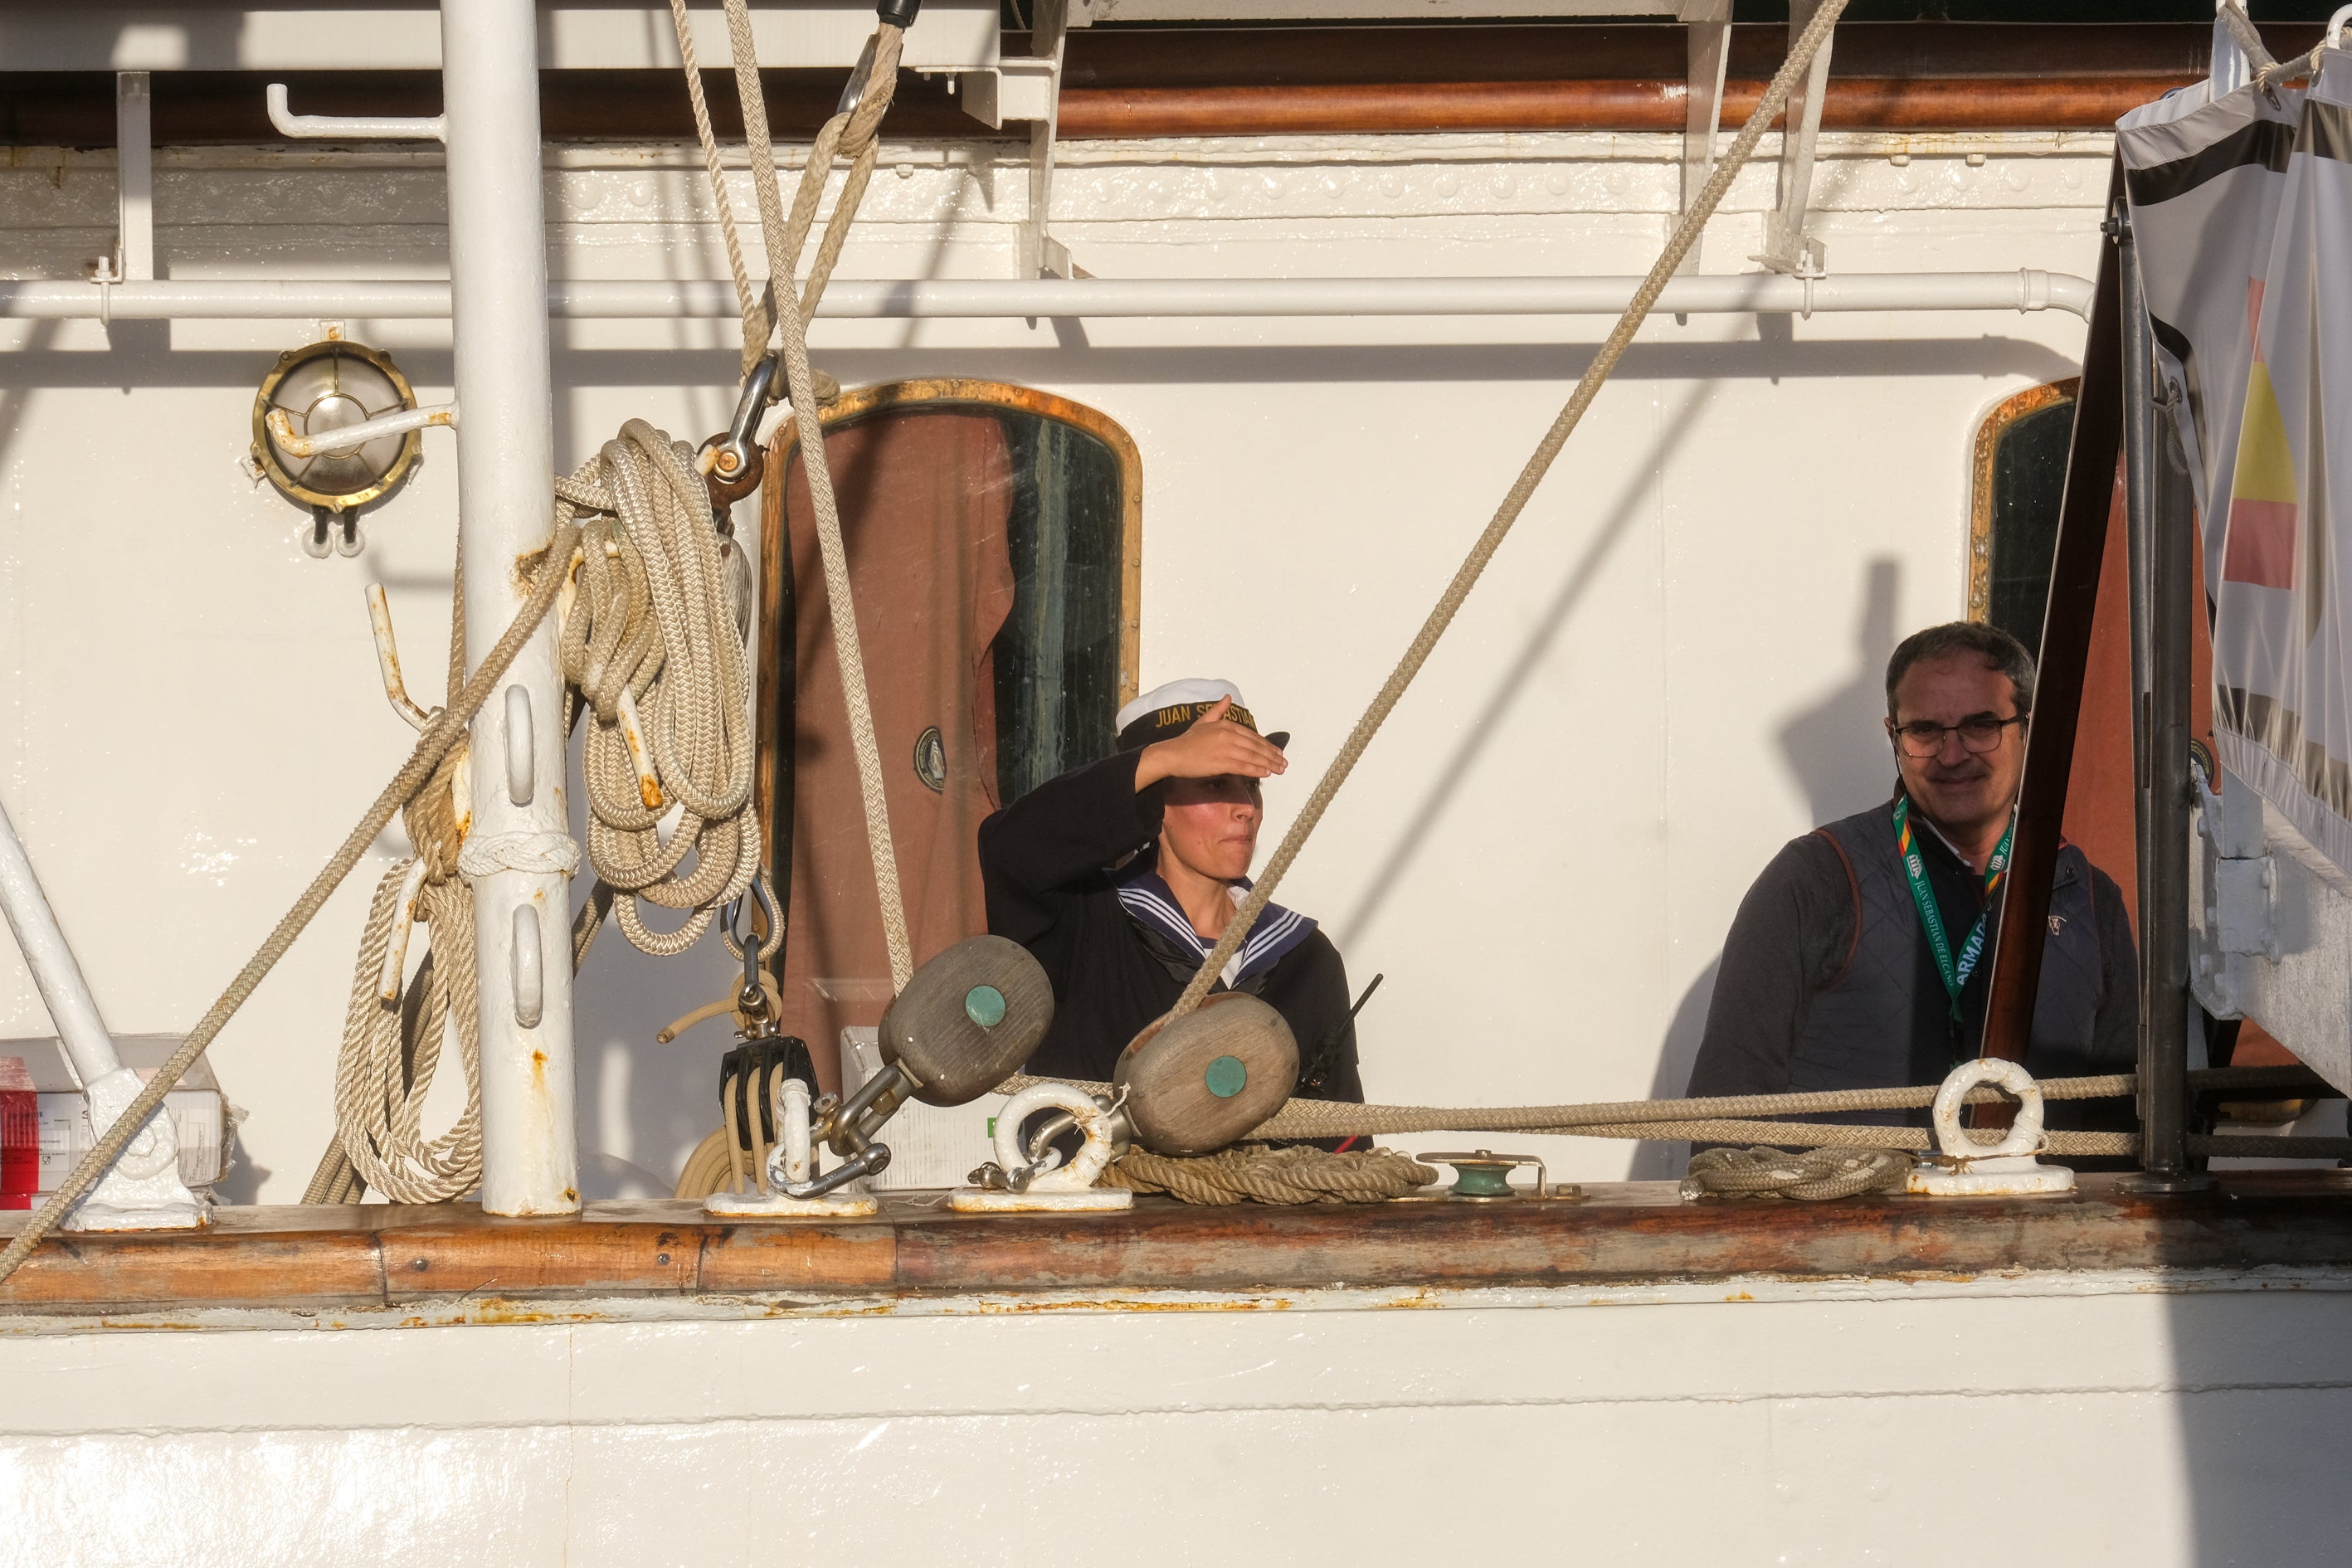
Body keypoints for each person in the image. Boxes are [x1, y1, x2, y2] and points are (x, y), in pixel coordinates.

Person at [1684, 621, 2137, 1135]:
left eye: (1981, 725)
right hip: (1850, 1215)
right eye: (1924, 730)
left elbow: (2121, 1123)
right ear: (1893, 737)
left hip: (2038, 1213)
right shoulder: (1815, 877)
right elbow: (1723, 1116)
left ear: (2027, 730)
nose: (1952, 754)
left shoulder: (2089, 896)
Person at [978, 679, 1366, 1106]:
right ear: (1153, 803)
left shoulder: (1306, 957)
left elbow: (1342, 1143)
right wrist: (1163, 759)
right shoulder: (1076, 921)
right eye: (1215, 784)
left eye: (1251, 784)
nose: (1247, 807)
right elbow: (1008, 849)